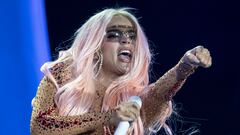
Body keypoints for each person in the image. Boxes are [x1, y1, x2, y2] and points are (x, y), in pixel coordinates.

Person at [30, 8, 212, 135]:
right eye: (114, 35)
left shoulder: (131, 100)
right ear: (95, 44)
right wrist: (108, 117)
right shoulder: (61, 77)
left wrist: (184, 67)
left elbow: (158, 95)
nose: (126, 41)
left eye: (132, 37)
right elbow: (40, 127)